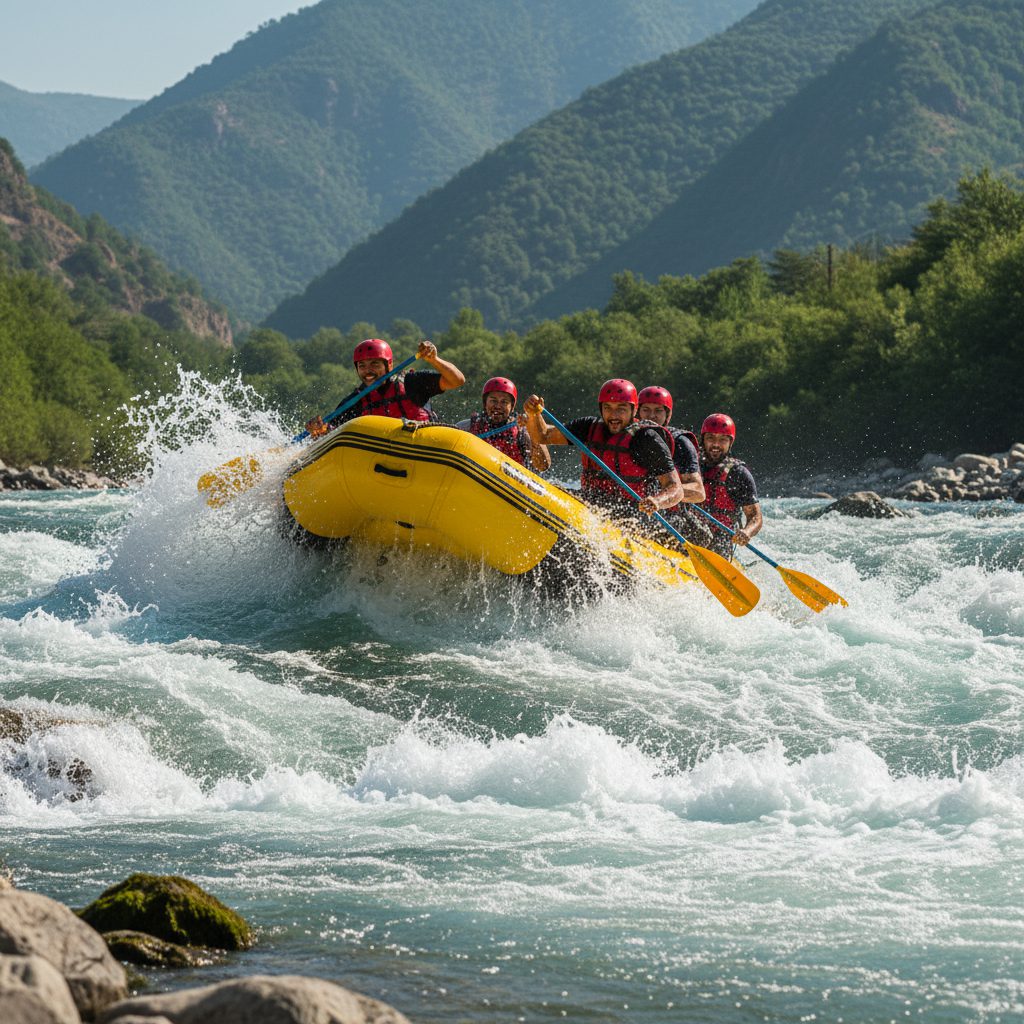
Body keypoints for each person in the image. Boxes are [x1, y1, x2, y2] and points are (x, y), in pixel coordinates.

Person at [522, 379, 684, 525]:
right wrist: (533, 414)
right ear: (601, 408)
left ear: (634, 411)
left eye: (621, 409)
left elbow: (675, 488)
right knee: (551, 490)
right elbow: (543, 436)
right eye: (608, 408)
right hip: (590, 499)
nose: (613, 415)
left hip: (632, 512)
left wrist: (657, 501)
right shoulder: (588, 427)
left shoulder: (647, 439)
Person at [305, 338, 464, 436]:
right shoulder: (355, 401)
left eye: (374, 364)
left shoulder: (411, 382)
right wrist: (319, 429)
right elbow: (331, 432)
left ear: (389, 365)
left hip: (424, 448)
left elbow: (457, 380)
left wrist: (434, 360)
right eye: (362, 366)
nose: (368, 370)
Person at [636, 385, 711, 547]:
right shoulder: (629, 437)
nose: (651, 416)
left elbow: (698, 491)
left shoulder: (681, 443)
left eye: (658, 411)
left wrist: (663, 494)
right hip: (638, 512)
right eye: (646, 410)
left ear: (667, 415)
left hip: (672, 518)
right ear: (637, 412)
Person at [699, 412, 763, 558]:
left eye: (722, 440)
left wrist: (746, 532)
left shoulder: (738, 474)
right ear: (703, 440)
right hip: (690, 530)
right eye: (710, 438)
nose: (716, 444)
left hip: (720, 538)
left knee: (719, 541)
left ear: (730, 443)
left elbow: (755, 516)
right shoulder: (691, 465)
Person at [456, 377, 551, 473]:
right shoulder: (466, 427)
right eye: (493, 401)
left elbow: (543, 466)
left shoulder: (522, 431)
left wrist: (533, 430)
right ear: (485, 403)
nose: (498, 406)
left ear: (512, 407)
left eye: (504, 402)